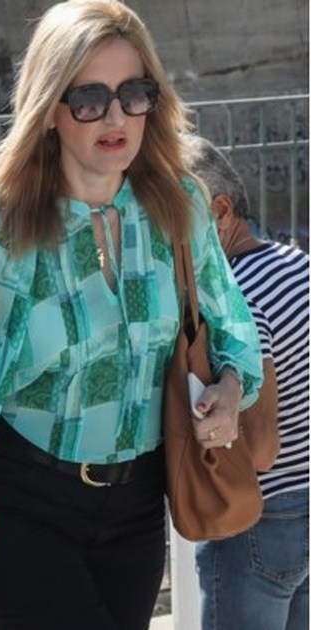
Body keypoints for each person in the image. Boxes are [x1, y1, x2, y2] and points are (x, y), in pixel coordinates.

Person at [0, 3, 264, 629]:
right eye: (90, 99)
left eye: (134, 94)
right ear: (50, 108)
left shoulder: (179, 204)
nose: (116, 117)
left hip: (137, 511)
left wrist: (232, 388)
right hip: (22, 510)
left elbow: (232, 326)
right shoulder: (2, 232)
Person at [184, 135, 309, 630]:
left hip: (260, 520)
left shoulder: (237, 299)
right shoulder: (298, 265)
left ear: (220, 210)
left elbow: (258, 450)